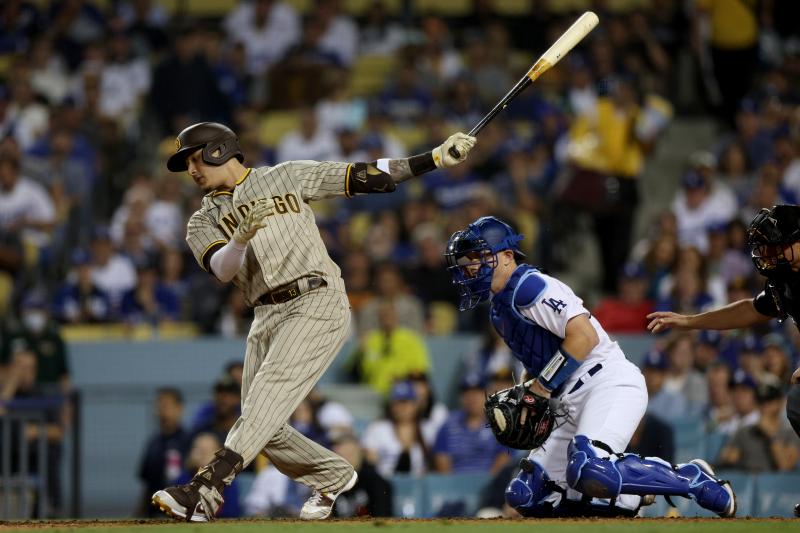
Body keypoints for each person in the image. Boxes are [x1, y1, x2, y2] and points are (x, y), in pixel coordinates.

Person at [152, 121, 476, 521]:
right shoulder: (201, 220)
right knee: (263, 425)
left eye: (195, 158)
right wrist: (239, 239)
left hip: (317, 298)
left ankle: (206, 488)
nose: (192, 170)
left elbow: (362, 176)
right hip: (265, 314)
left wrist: (435, 158)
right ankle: (333, 475)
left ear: (220, 150)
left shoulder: (284, 176)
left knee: (265, 400)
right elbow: (221, 269)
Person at [444, 216, 735, 517]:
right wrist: (530, 391)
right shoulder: (499, 311)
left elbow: (584, 337)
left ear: (506, 256)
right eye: (468, 261)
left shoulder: (529, 285)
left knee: (591, 469)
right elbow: (540, 359)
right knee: (524, 495)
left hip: (606, 380)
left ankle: (691, 479)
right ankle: (622, 501)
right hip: (568, 399)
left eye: (480, 257)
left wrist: (541, 388)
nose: (471, 267)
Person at [647, 204, 800, 514]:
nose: (768, 253)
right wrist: (689, 322)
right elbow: (750, 309)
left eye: (776, 245)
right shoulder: (788, 279)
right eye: (765, 247)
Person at [138, 388, 189, 517]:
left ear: (180, 408)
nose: (162, 411)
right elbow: (147, 485)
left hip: (182, 511)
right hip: (155, 512)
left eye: (166, 405)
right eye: (159, 405)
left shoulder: (189, 441)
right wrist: (139, 513)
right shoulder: (153, 444)